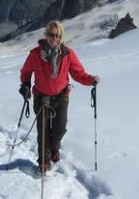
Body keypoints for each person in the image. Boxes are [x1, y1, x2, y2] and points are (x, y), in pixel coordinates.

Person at [19, 20, 100, 173]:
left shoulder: (67, 54)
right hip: (41, 97)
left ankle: (54, 148)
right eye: (51, 34)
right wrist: (25, 85)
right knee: (42, 131)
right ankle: (44, 161)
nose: (54, 38)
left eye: (57, 35)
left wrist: (90, 79)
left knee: (60, 128)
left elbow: (77, 73)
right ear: (46, 35)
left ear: (61, 36)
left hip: (61, 97)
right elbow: (26, 72)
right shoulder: (35, 54)